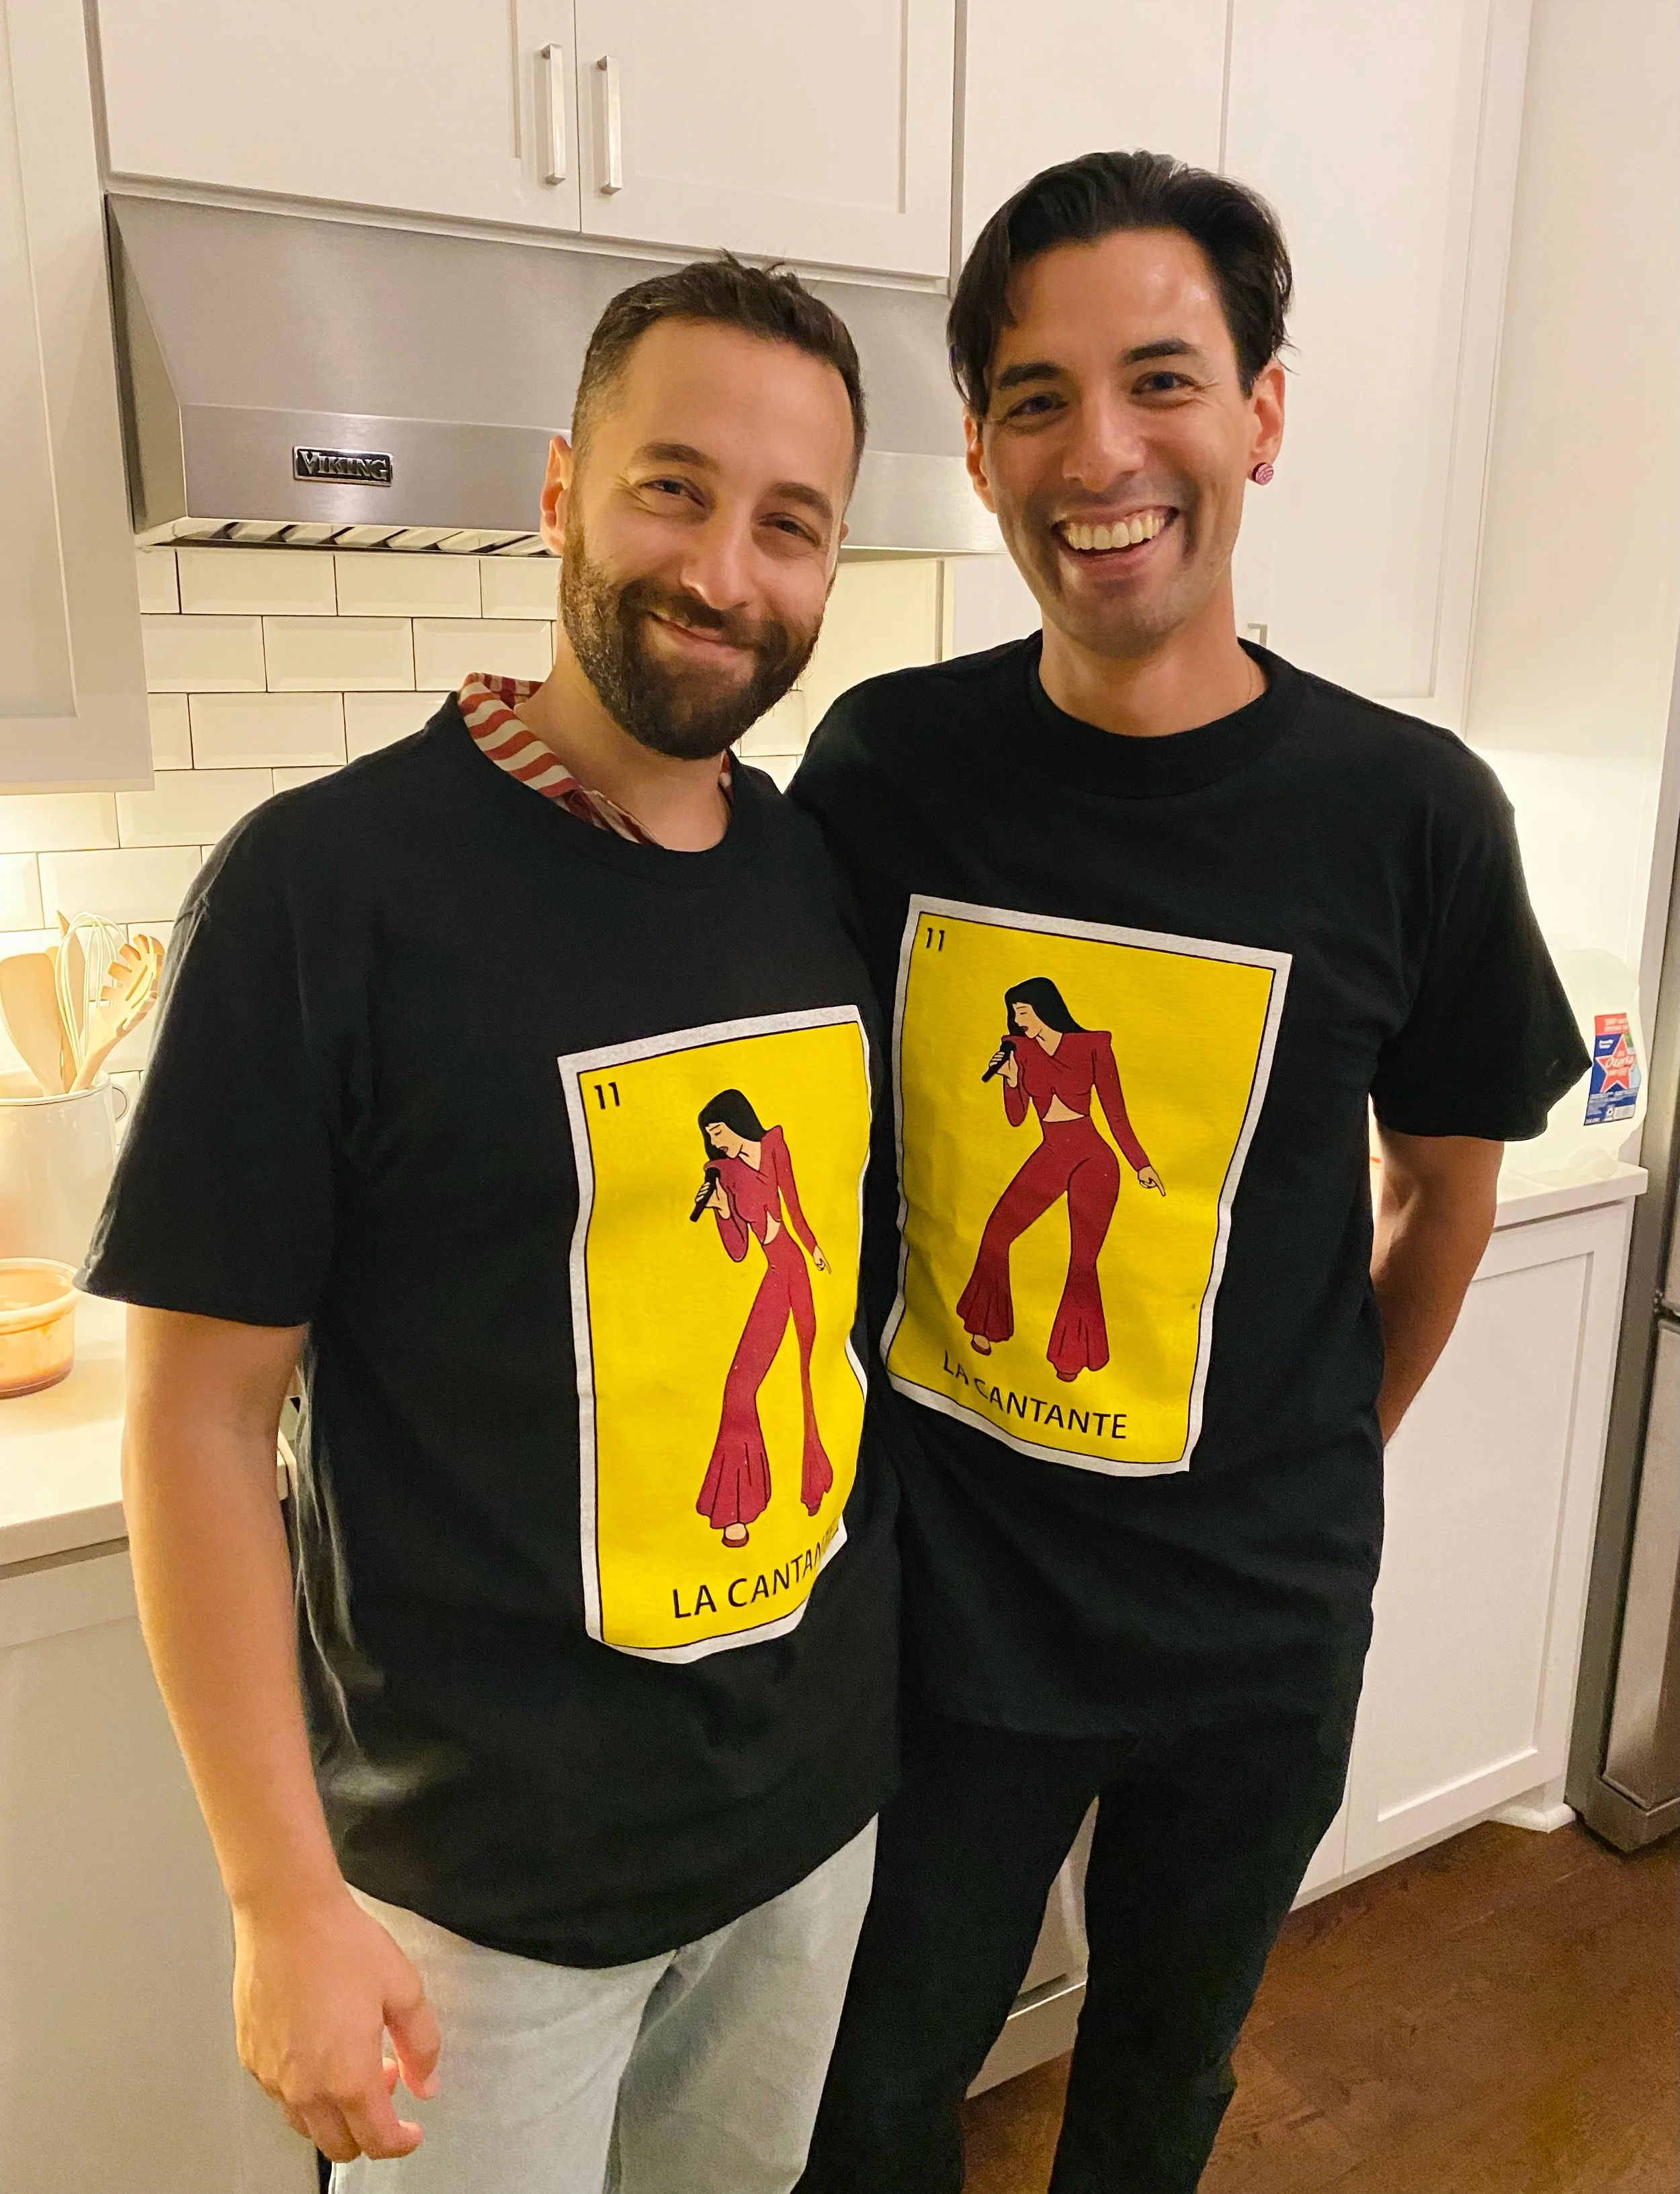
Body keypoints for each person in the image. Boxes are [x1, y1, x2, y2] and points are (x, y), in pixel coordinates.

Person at [790, 150, 1589, 2193]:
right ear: (973, 449)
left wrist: (1315, 1453)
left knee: (1154, 2090)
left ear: (1261, 412)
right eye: (1034, 398)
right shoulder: (888, 767)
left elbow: (1441, 1183)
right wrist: (540, 765)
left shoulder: (1403, 810)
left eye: (1160, 377)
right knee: (873, 2096)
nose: (1101, 452)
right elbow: (712, 984)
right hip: (949, 1616)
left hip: (1247, 1638)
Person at [85, 255, 897, 2194]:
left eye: (788, 522)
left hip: (800, 1835)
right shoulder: (327, 887)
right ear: (558, 494)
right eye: (671, 487)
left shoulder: (813, 876)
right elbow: (197, 1423)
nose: (721, 568)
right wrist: (283, 1899)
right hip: (480, 1905)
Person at [958, 975, 1164, 1379]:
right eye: (1014, 1015)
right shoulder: (1017, 1049)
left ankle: (1072, 1356)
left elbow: (1115, 1111)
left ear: (1043, 1008)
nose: (1018, 1022)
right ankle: (986, 1326)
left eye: (1023, 1013)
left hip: (1094, 1158)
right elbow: (1018, 1119)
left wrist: (1141, 1164)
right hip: (1051, 1153)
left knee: (1082, 1261)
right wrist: (1011, 1080)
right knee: (997, 1233)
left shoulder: (1092, 1046)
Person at [694, 1087, 834, 1545]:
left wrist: (814, 1248)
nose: (717, 1143)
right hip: (775, 1272)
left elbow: (792, 1206)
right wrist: (720, 1210)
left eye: (718, 1131)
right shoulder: (725, 1173)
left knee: (807, 1376)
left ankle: (814, 1487)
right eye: (711, 1139)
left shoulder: (773, 1145)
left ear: (735, 1121)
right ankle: (738, 1509)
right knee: (739, 1387)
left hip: (796, 1267)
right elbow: (738, 1251)